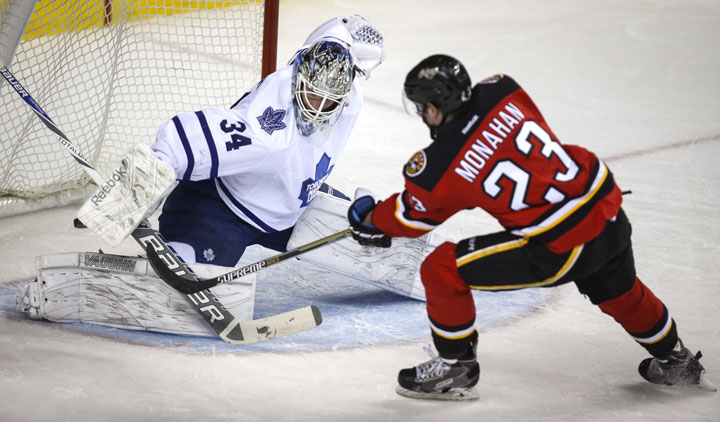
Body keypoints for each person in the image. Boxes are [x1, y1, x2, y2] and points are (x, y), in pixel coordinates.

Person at [346, 54, 712, 400]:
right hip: (607, 212)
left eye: (422, 107)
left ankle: (454, 369)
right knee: (623, 293)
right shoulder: (503, 89)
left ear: (434, 107)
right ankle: (678, 362)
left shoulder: (441, 162)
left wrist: (371, 219)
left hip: (560, 246)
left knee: (440, 269)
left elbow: (411, 218)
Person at [79, 15, 385, 267]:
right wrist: (148, 176)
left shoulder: (351, 96)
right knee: (191, 270)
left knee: (362, 231)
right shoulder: (271, 126)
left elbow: (342, 30)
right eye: (312, 93)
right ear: (300, 75)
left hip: (290, 203)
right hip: (220, 209)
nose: (316, 106)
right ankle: (165, 258)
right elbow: (205, 136)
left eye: (328, 100)